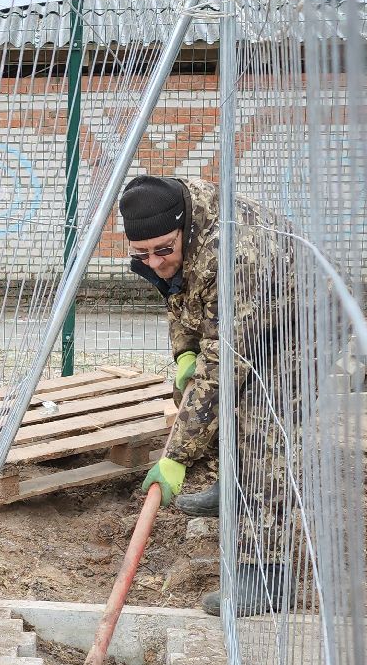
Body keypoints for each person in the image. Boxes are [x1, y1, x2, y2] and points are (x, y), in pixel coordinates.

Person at [119, 174, 301, 617]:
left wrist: (177, 456)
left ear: (184, 228)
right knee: (222, 404)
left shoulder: (231, 253)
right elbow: (180, 293)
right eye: (143, 254)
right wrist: (184, 353)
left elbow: (223, 367)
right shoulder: (170, 238)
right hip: (252, 318)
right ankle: (229, 486)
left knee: (260, 427)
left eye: (164, 249)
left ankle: (268, 575)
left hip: (303, 322)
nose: (155, 261)